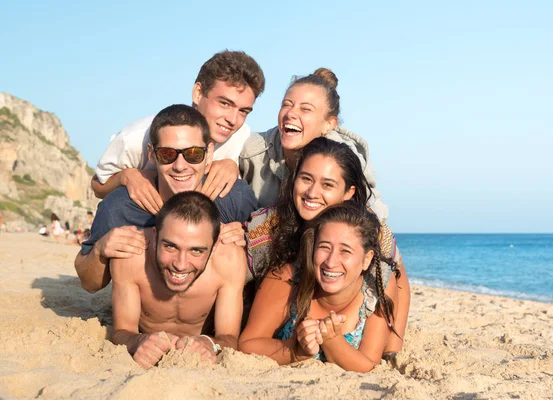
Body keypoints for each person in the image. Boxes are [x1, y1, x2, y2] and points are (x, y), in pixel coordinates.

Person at [242, 138, 409, 352]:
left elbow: (397, 276)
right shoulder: (267, 227)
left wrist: (392, 349)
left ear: (349, 193)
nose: (312, 192)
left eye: (327, 185)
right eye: (306, 179)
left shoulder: (368, 230)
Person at [74, 104, 256, 293]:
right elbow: (89, 284)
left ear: (208, 154)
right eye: (167, 154)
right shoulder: (119, 207)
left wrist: (247, 240)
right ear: (152, 155)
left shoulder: (234, 197)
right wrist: (100, 251)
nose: (180, 166)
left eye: (193, 154)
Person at [92, 50, 265, 213]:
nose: (233, 120)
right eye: (225, 104)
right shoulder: (137, 137)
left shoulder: (241, 139)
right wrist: (126, 176)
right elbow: (98, 186)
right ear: (198, 93)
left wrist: (232, 165)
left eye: (243, 111)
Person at [239, 202, 398, 372]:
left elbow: (369, 364)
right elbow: (247, 345)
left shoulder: (377, 287)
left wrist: (332, 341)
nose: (330, 262)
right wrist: (296, 351)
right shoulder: (287, 278)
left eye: (345, 251)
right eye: (324, 247)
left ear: (366, 259)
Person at [111, 191, 246, 369]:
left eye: (196, 251)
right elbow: (121, 332)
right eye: (170, 246)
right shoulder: (131, 256)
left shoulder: (230, 259)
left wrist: (209, 344)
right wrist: (139, 341)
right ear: (154, 236)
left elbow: (229, 338)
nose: (180, 265)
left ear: (213, 248)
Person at [239, 68, 388, 220]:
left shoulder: (345, 159)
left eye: (305, 109)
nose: (291, 114)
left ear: (329, 124)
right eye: (287, 104)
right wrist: (228, 162)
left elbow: (374, 208)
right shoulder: (251, 150)